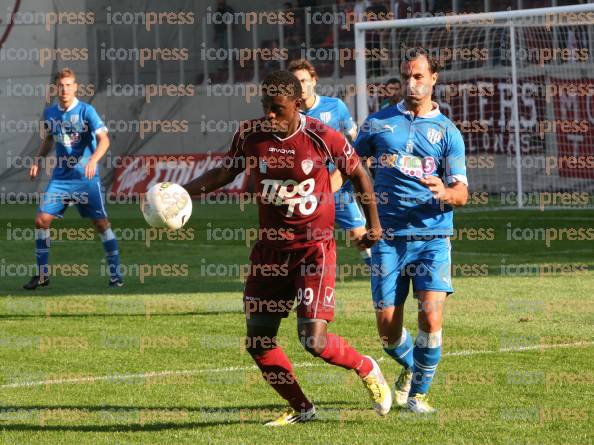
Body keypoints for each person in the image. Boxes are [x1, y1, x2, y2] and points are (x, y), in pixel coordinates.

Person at [183, 70, 391, 425]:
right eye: (266, 107)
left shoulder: (322, 136)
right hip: (270, 253)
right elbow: (224, 172)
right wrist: (183, 192)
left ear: (297, 104)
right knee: (259, 340)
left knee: (313, 340)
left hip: (314, 249)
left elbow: (358, 174)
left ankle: (365, 366)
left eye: (278, 108)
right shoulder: (251, 134)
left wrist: (374, 225)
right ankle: (303, 408)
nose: (270, 115)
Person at [352, 48, 468, 413]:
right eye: (406, 76)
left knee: (430, 316)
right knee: (387, 331)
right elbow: (351, 169)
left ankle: (418, 396)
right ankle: (412, 368)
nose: (411, 83)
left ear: (434, 78)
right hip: (387, 238)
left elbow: (462, 191)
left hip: (432, 237)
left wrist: (446, 192)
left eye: (418, 76)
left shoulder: (448, 132)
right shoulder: (377, 123)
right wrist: (353, 218)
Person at [24, 68, 122, 289]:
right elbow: (49, 137)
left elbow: (104, 140)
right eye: (61, 85)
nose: (65, 89)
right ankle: (42, 275)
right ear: (56, 88)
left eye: (69, 85)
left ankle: (116, 274)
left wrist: (93, 160)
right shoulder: (50, 113)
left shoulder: (87, 111)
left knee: (101, 224)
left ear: (75, 87)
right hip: (61, 179)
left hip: (86, 180)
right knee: (41, 220)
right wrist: (37, 160)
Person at [288, 59, 372, 267]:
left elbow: (354, 139)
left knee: (360, 237)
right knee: (302, 244)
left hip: (338, 189)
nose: (301, 86)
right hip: (305, 192)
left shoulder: (335, 107)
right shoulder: (289, 115)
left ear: (314, 81)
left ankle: (379, 275)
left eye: (304, 80)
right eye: (296, 82)